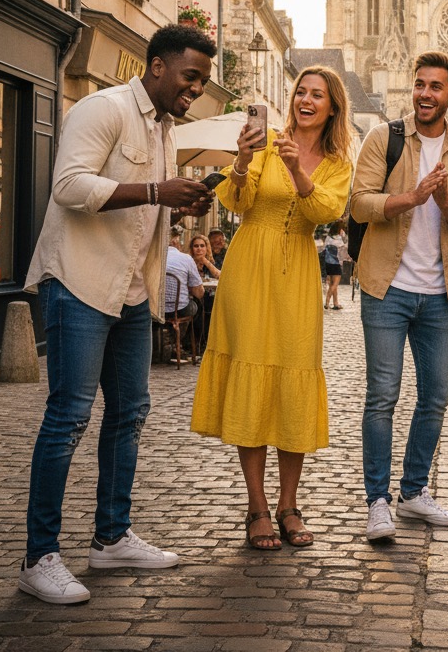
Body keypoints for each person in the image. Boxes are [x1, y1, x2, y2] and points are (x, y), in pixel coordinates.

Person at [20, 24, 216, 605]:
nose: (196, 89)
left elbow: (144, 209)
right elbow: (69, 187)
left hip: (132, 290)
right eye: (190, 76)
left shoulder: (166, 128)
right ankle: (39, 556)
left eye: (202, 80)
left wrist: (183, 202)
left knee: (130, 412)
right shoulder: (101, 109)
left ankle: (110, 537)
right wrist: (158, 192)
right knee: (69, 418)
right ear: (157, 66)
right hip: (79, 280)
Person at [190, 67, 353, 551]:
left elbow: (325, 211)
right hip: (248, 268)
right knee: (253, 379)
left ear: (332, 107)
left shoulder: (337, 160)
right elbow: (236, 202)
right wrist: (241, 161)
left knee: (293, 377)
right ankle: (258, 506)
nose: (306, 100)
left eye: (317, 95)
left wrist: (298, 170)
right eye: (300, 92)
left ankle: (290, 503)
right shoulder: (264, 142)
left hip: (298, 271)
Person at [350, 51, 448, 542]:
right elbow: (359, 203)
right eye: (419, 84)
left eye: (435, 87)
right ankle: (378, 501)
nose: (425, 94)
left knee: (436, 397)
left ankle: (414, 492)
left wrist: (446, 201)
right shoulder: (383, 138)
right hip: (387, 288)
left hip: (437, 293)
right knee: (382, 396)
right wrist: (411, 197)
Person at [163, 228, 203, 361]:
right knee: (194, 306)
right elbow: (199, 292)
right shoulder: (186, 259)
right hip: (179, 309)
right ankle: (178, 343)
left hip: (156, 308)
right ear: (177, 243)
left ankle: (167, 338)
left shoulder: (155, 257)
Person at [187, 232, 219, 347]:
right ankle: (196, 342)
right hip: (191, 297)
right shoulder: (188, 262)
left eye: (202, 246)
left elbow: (220, 276)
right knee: (201, 305)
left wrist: (205, 261)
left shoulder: (209, 263)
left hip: (208, 296)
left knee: (212, 303)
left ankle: (207, 341)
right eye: (196, 246)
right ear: (192, 248)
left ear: (207, 248)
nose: (199, 249)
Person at [323, 222, 346, 310]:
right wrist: (343, 236)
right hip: (336, 264)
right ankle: (327, 302)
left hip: (328, 263)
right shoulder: (339, 239)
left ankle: (336, 303)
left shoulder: (328, 238)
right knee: (335, 284)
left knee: (332, 284)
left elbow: (325, 248)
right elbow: (343, 249)